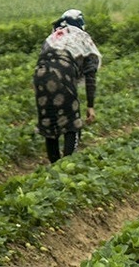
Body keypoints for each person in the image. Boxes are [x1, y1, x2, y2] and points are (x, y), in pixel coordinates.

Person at [33, 9, 102, 163]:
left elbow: (43, 59)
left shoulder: (53, 37)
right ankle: (66, 164)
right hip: (62, 75)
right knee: (72, 122)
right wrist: (90, 106)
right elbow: (90, 75)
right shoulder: (83, 37)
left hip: (40, 76)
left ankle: (54, 164)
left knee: (49, 119)